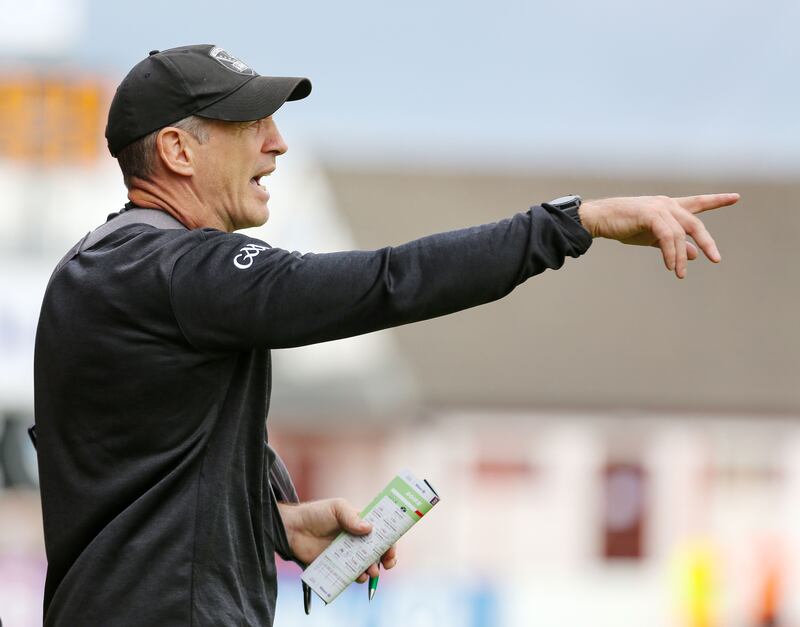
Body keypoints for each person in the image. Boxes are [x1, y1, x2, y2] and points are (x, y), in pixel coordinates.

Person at [32, 44, 739, 626]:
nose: (276, 144)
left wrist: (274, 522)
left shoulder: (97, 267)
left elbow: (143, 465)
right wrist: (571, 223)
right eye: (250, 124)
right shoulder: (174, 268)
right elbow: (390, 280)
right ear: (178, 150)